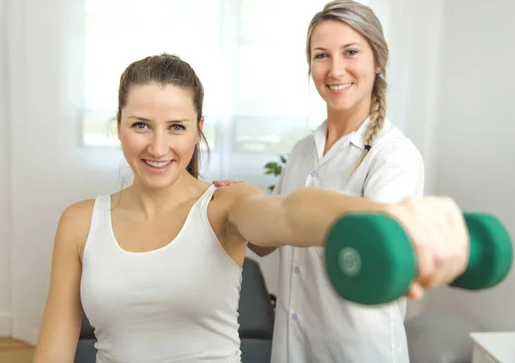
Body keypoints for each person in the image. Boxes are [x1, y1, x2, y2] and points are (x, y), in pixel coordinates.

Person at [33, 53, 467, 363]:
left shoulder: (224, 206)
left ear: (198, 130)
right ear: (119, 125)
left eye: (177, 127)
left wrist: (392, 216)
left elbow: (290, 212)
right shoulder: (79, 222)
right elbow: (53, 350)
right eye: (141, 125)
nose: (158, 147)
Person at [218, 0, 427, 362]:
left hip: (357, 350)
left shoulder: (393, 156)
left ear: (378, 62)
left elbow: (380, 252)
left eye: (350, 52)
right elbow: (269, 242)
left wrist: (298, 215)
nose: (335, 70)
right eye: (321, 55)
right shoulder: (303, 150)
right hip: (293, 346)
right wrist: (241, 204)